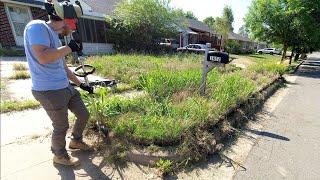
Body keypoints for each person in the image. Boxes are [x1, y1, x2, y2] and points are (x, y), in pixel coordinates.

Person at [23, 10, 93, 166]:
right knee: (61, 126)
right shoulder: (37, 27)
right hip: (49, 90)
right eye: (72, 24)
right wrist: (70, 47)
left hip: (65, 86)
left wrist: (81, 84)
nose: (73, 29)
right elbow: (43, 57)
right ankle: (59, 156)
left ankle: (76, 141)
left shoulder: (55, 36)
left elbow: (63, 67)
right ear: (63, 19)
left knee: (83, 114)